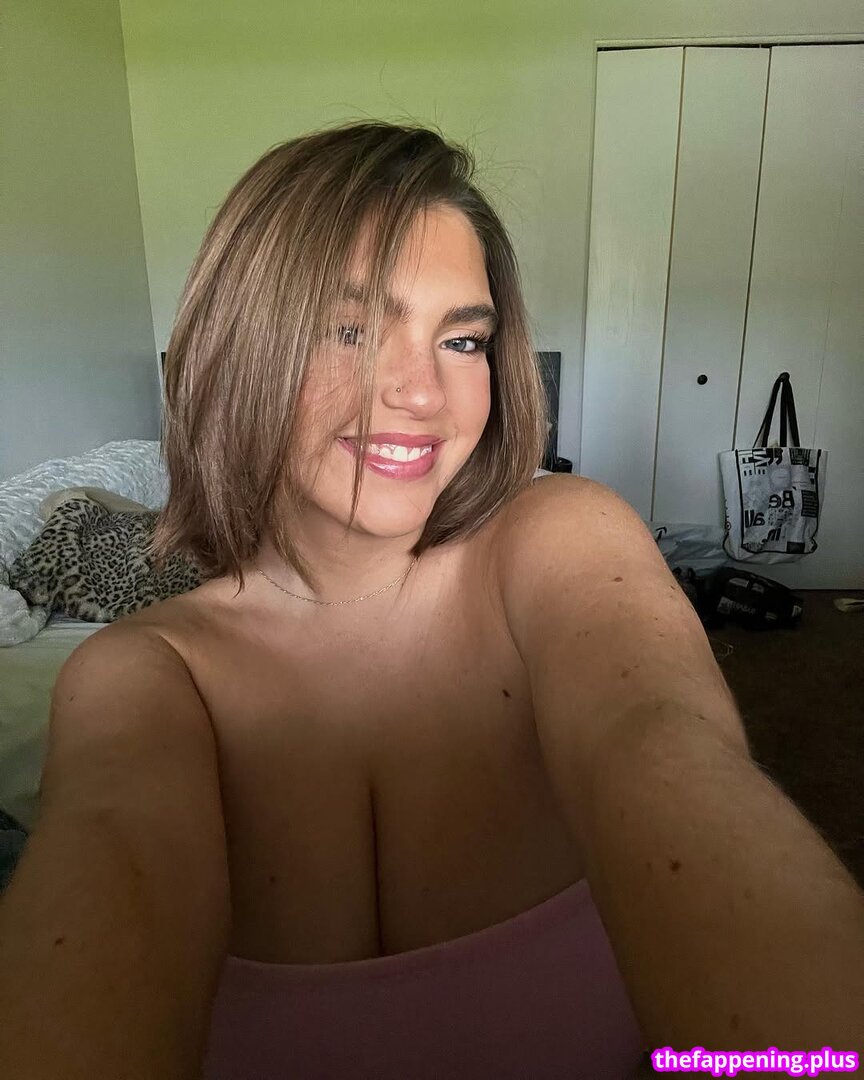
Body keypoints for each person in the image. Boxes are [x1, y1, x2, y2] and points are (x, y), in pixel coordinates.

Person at [0, 122, 862, 1080]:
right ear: (236, 348)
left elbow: (664, 746)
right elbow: (111, 853)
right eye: (351, 329)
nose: (422, 393)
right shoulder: (140, 675)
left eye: (462, 339)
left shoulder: (558, 536)